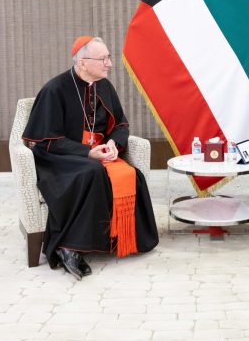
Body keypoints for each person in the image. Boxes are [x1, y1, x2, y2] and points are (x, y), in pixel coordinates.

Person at [22, 36, 158, 280]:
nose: (109, 64)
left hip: (97, 153)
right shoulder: (55, 89)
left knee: (131, 175)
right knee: (91, 171)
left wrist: (113, 144)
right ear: (82, 62)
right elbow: (46, 141)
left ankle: (120, 239)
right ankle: (68, 247)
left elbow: (121, 124)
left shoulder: (104, 87)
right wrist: (87, 152)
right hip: (58, 158)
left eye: (108, 57)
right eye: (103, 59)